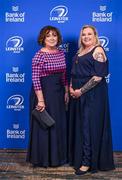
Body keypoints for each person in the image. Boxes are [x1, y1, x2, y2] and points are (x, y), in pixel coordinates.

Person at [69, 25, 115, 175]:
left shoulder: (98, 51)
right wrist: (71, 87)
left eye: (89, 34)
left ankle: (87, 162)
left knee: (88, 128)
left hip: (92, 95)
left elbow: (98, 77)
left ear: (95, 35)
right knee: (81, 127)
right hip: (77, 94)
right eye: (83, 35)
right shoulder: (80, 51)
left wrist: (80, 91)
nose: (86, 37)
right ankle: (80, 157)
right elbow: (74, 72)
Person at [26, 25, 69, 167]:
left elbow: (64, 74)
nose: (52, 38)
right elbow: (35, 78)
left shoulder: (61, 53)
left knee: (57, 124)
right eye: (48, 35)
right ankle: (43, 159)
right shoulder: (39, 55)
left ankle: (58, 158)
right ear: (43, 39)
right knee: (44, 125)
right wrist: (41, 100)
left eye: (54, 35)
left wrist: (66, 91)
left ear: (58, 38)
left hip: (58, 93)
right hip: (43, 93)